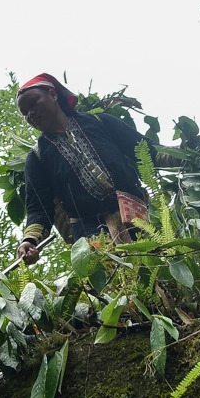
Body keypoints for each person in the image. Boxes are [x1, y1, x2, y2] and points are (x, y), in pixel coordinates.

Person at [14, 73, 158, 265]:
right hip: (90, 236)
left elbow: (149, 152)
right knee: (114, 289)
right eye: (25, 113)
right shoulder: (38, 157)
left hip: (139, 216)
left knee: (161, 269)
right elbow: (38, 208)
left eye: (32, 103)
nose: (30, 113)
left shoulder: (101, 123)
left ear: (53, 94)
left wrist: (190, 156)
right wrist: (29, 241)